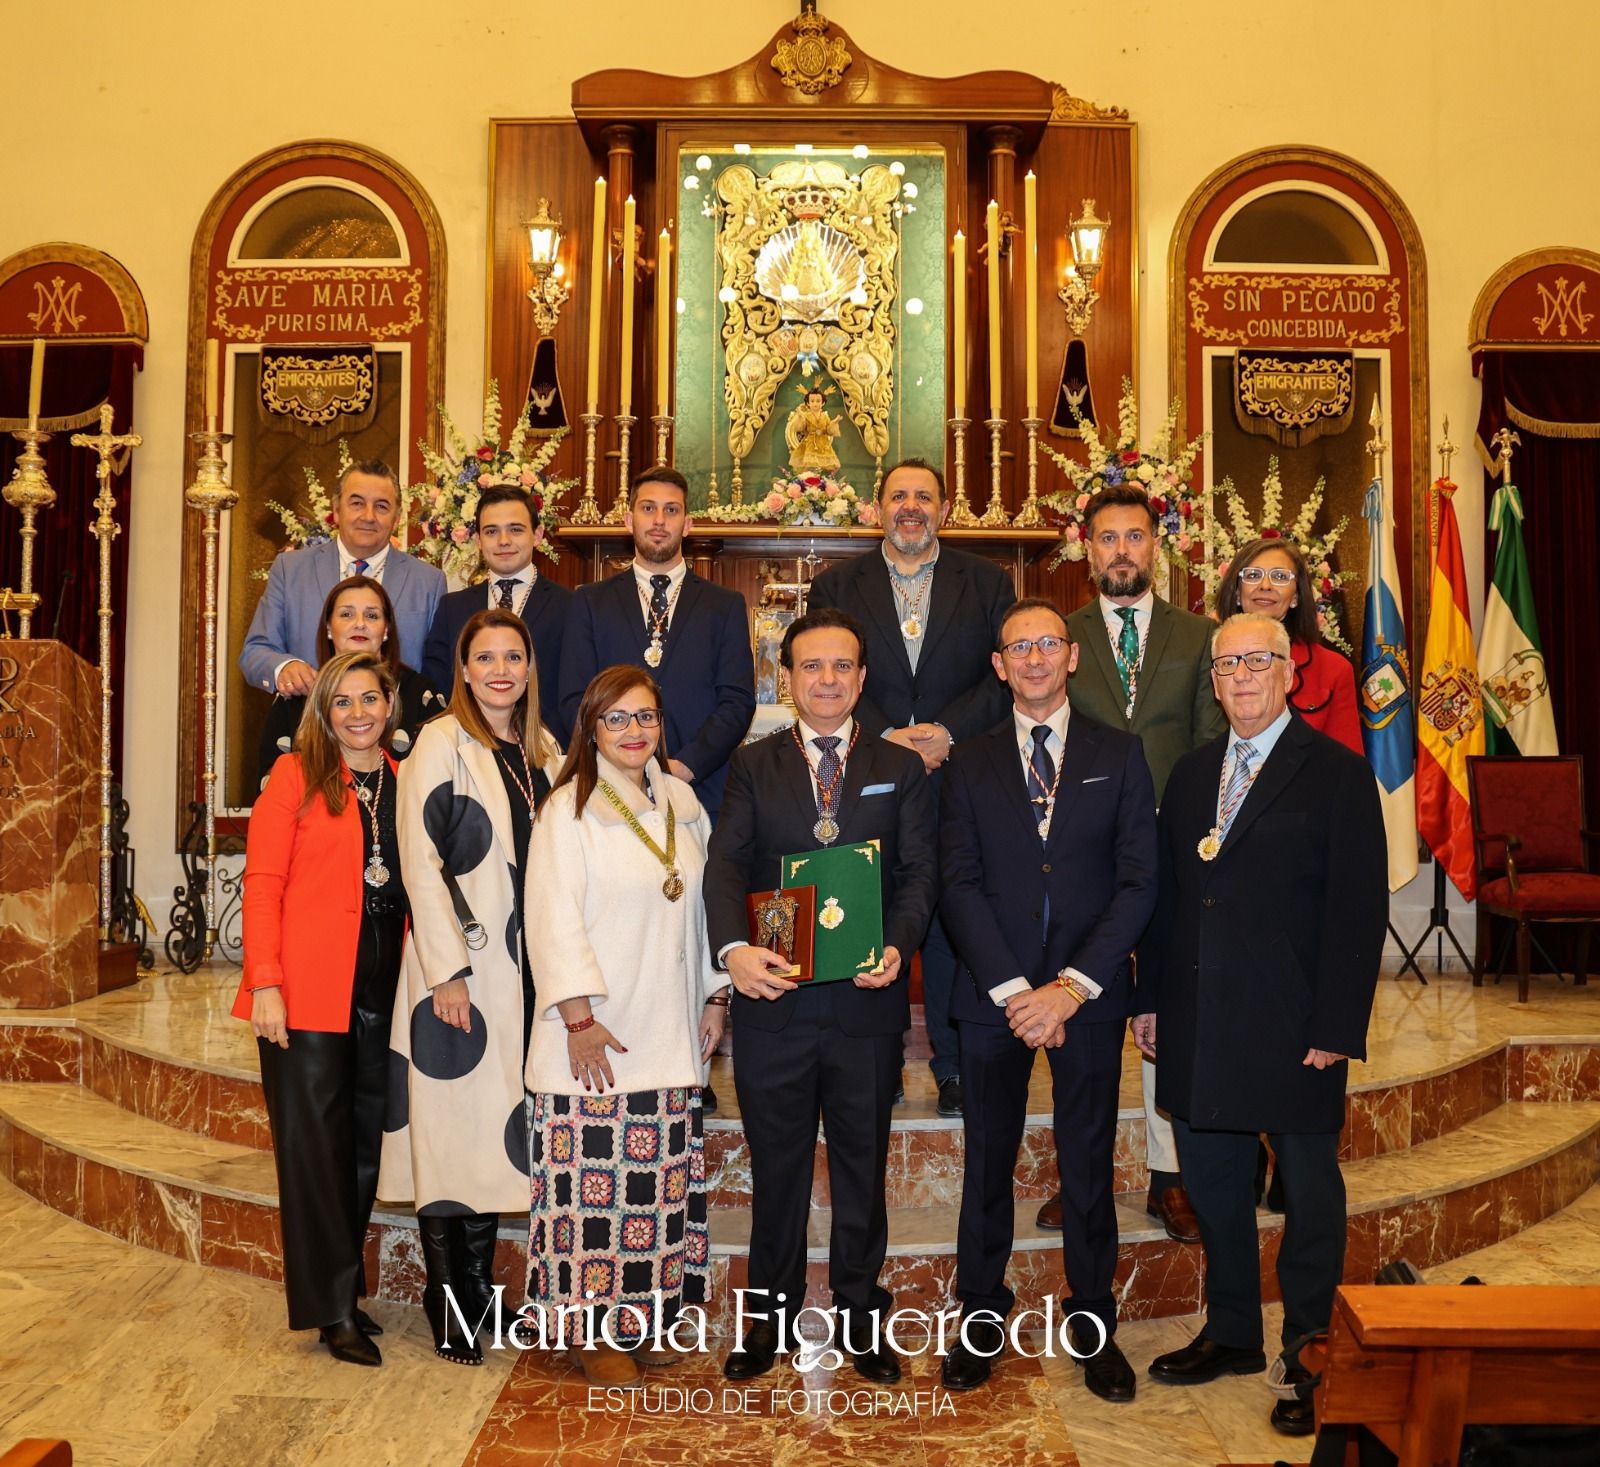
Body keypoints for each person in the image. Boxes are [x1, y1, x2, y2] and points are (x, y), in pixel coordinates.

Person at [1136, 612, 1386, 1438]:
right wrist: (1150, 999)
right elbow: (1170, 899)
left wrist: (1336, 1022)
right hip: (1203, 1014)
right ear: (1214, 681)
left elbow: (1358, 910)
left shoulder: (1338, 773)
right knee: (1213, 1181)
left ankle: (1310, 1350)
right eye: (1227, 664)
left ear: (1288, 672)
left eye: (1257, 660)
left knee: (1309, 1190)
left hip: (1295, 1021)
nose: (1241, 675)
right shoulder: (1193, 770)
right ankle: (1235, 1331)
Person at [703, 607, 937, 1384]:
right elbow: (726, 868)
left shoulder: (899, 767)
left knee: (863, 1169)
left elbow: (917, 877)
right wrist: (733, 952)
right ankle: (764, 1322)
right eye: (811, 667)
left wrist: (899, 946)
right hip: (775, 1007)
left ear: (862, 678)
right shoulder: (753, 764)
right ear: (788, 677)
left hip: (866, 1008)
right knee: (777, 1173)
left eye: (842, 667)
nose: (827, 680)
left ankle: (862, 1319)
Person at [938, 599, 1157, 1402]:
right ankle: (980, 1314)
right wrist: (1015, 991)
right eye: (1017, 647)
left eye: (1047, 644)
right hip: (992, 997)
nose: (1033, 658)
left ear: (1071, 656)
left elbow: (1139, 882)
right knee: (986, 1164)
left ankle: (1092, 1318)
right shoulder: (969, 761)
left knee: (1089, 1167)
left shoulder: (1120, 752)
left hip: (1087, 999)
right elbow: (956, 882)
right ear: (998, 665)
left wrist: (1067, 988)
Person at [522, 665, 728, 1388]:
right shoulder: (566, 810)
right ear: (592, 728)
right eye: (618, 719)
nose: (634, 730)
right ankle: (592, 1332)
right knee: (591, 1194)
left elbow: (704, 903)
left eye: (646, 717)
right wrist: (577, 1015)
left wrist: (716, 996)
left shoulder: (680, 798)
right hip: (598, 1035)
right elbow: (551, 916)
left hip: (669, 1027)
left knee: (654, 1191)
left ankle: (640, 1321)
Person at [1037, 484, 1226, 1244]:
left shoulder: (1198, 635)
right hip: (1080, 860)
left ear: (1158, 544)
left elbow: (1212, 746)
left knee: (1162, 1017)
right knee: (1077, 1020)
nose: (1121, 550)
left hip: (1174, 861)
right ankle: (1076, 1177)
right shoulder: (1057, 634)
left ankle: (1168, 1174)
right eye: (1107, 537)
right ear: (1087, 547)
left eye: (1135, 536)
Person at [378, 608, 559, 1366]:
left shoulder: (541, 746)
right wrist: (445, 971)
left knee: (494, 1126)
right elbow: (419, 858)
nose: (499, 669)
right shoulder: (439, 740)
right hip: (456, 974)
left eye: (512, 655)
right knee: (450, 1125)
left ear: (528, 666)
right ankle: (446, 1293)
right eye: (483, 656)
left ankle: (482, 1285)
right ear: (463, 666)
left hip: (523, 970)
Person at [807, 457, 1015, 1115]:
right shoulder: (838, 583)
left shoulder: (985, 582)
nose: (911, 507)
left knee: (956, 917)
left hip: (964, 774)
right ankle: (880, 1061)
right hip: (871, 774)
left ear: (944, 510)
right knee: (874, 913)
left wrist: (945, 732)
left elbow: (1004, 673)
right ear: (877, 509)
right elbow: (825, 666)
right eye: (898, 496)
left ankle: (955, 1066)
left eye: (924, 496)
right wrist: (885, 735)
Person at [234, 650, 406, 1368]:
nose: (360, 713)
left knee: (363, 1148)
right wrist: (265, 981)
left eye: (371, 699)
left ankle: (346, 1287)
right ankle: (331, 1308)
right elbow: (263, 880)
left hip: (382, 987)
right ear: (324, 710)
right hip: (304, 989)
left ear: (389, 705)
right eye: (345, 701)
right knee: (313, 1152)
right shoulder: (294, 774)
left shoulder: (402, 778)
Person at [558, 466, 755, 823]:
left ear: (688, 524)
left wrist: (689, 765)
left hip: (702, 790)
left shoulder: (724, 605)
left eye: (672, 509)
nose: (660, 520)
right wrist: (619, 764)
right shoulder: (589, 602)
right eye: (648, 508)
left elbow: (737, 701)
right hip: (608, 789)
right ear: (629, 519)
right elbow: (574, 697)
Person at [241, 458, 445, 696]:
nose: (368, 516)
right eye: (357, 503)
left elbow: (436, 673)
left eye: (381, 506)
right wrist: (285, 668)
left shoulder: (428, 581)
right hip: (308, 722)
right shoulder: (291, 570)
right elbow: (255, 652)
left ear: (397, 517)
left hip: (398, 726)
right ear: (336, 510)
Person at [256, 574, 445, 791]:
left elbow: (441, 785)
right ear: (328, 627)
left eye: (372, 616)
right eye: (346, 614)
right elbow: (269, 789)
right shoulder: (298, 696)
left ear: (386, 630)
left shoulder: (421, 694)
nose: (360, 624)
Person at [422, 484, 572, 744]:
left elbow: (572, 690)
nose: (503, 541)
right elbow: (438, 688)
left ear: (537, 534)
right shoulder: (452, 608)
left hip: (545, 752)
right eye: (492, 531)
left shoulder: (570, 606)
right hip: (468, 750)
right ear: (479, 540)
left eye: (515, 529)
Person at [1214, 536, 1361, 755]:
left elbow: (1347, 769)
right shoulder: (1207, 657)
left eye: (1280, 577)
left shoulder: (1333, 669)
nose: (1265, 586)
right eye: (1253, 575)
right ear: (1237, 593)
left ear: (1296, 596)